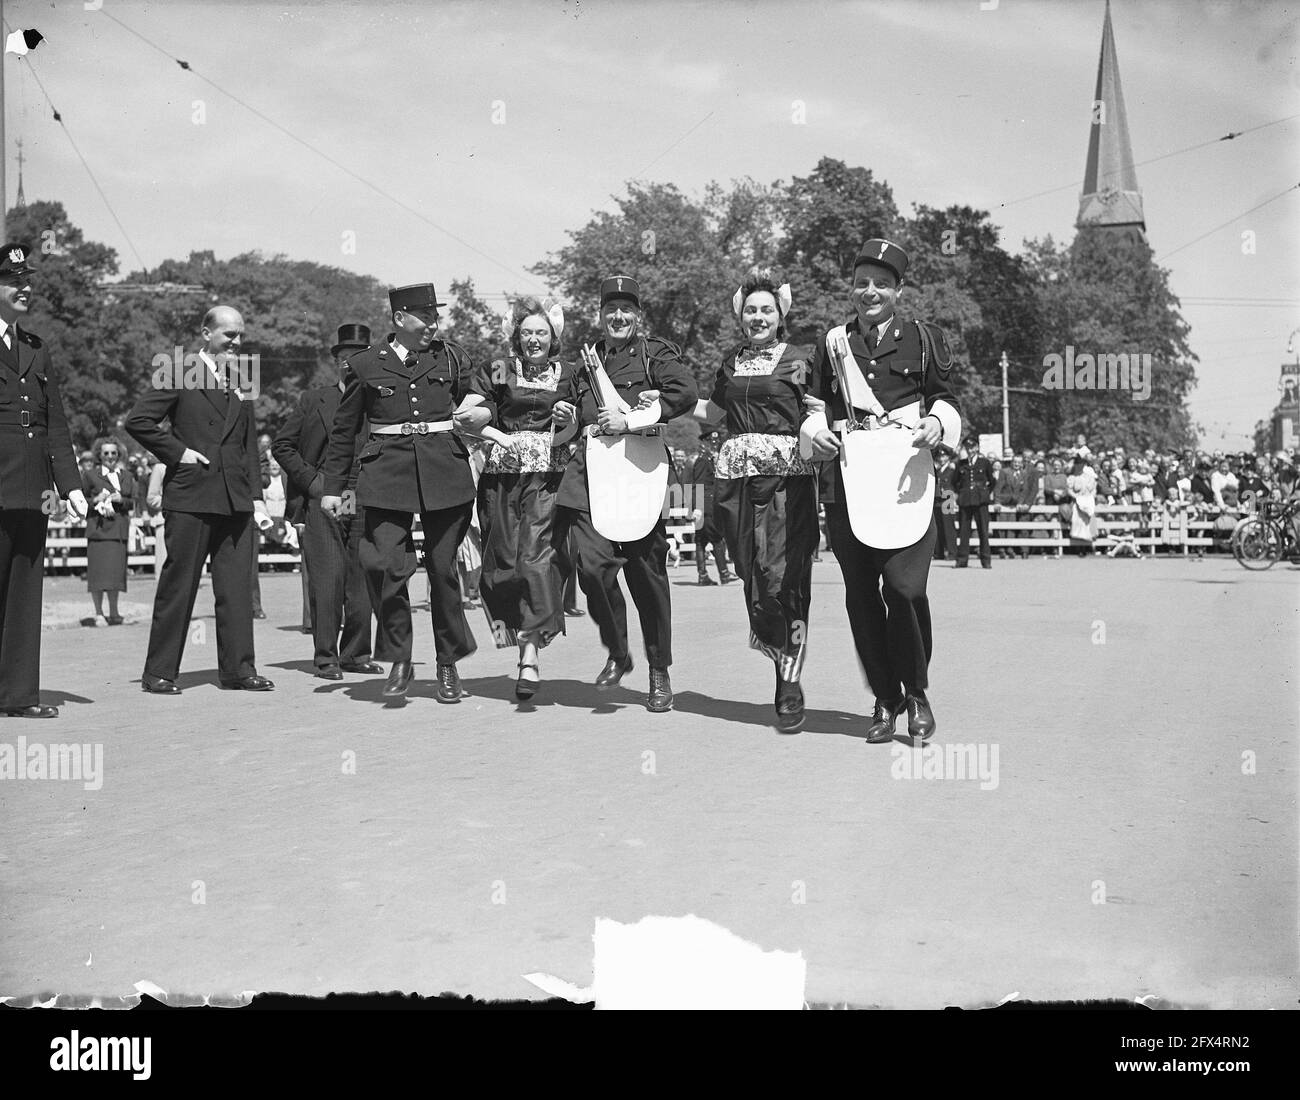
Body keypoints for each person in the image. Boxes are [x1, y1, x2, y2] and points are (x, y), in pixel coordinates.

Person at [801, 239, 960, 744]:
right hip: (849, 485)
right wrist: (814, 431)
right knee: (861, 598)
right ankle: (885, 700)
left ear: (899, 290)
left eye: (882, 284)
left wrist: (938, 422)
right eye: (862, 282)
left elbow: (945, 397)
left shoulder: (923, 339)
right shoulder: (832, 344)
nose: (870, 292)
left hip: (907, 481)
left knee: (905, 589)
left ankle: (916, 691)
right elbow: (813, 405)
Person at [321, 284, 492, 702]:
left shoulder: (452, 357)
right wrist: (332, 489)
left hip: (445, 473)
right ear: (399, 319)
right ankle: (399, 656)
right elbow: (344, 432)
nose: (433, 323)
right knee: (382, 565)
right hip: (386, 475)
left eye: (436, 316)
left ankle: (448, 664)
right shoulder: (363, 365)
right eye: (424, 316)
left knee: (443, 570)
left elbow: (482, 400)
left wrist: (481, 409)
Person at [554, 275, 698, 713]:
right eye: (610, 310)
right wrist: (563, 413)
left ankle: (658, 669)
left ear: (638, 316)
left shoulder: (657, 354)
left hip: (640, 472)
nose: (618, 317)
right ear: (599, 316)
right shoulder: (584, 363)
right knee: (592, 567)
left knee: (646, 579)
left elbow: (685, 394)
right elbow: (566, 417)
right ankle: (618, 651)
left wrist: (633, 419)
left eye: (627, 310)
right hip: (592, 476)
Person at [692, 267, 816, 731]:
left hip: (786, 484)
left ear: (780, 315)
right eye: (750, 310)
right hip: (736, 486)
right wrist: (665, 403)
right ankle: (778, 652)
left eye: (766, 309)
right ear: (740, 318)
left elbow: (817, 411)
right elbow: (713, 411)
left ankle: (789, 680)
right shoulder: (730, 362)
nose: (758, 316)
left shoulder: (800, 360)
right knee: (751, 576)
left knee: (782, 575)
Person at [125, 305, 274, 695]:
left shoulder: (241, 378)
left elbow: (246, 444)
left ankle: (239, 670)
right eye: (229, 335)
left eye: (241, 335)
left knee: (236, 588)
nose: (237, 343)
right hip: (191, 496)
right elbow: (138, 421)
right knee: (179, 586)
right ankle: (159, 672)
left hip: (235, 500)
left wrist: (256, 499)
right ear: (206, 333)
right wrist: (178, 452)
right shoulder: (178, 370)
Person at [467, 297, 578, 700]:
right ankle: (513, 634)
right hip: (500, 476)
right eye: (527, 332)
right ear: (517, 335)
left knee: (535, 557)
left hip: (548, 477)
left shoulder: (571, 373)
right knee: (501, 563)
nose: (534, 339)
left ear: (554, 339)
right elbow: (466, 415)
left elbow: (585, 419)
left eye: (542, 333)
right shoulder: (497, 368)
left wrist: (570, 421)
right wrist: (496, 433)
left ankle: (529, 654)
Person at [0, 243, 88, 718]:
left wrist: (71, 485)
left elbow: (56, 422)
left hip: (33, 490)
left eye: (27, 280)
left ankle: (18, 695)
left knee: (25, 596)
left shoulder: (36, 348)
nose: (25, 287)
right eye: (14, 280)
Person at [271, 323, 381, 681]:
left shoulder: (380, 402)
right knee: (328, 579)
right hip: (327, 495)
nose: (351, 362)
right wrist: (314, 483)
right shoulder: (313, 399)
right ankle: (326, 657)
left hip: (365, 494)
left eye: (359, 356)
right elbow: (282, 446)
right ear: (336, 360)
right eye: (345, 356)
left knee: (362, 581)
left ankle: (356, 654)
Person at [82, 437, 136, 625]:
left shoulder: (127, 476)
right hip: (98, 531)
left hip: (118, 531)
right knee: (97, 575)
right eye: (106, 453)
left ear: (118, 454)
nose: (110, 456)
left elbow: (132, 502)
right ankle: (98, 613)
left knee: (115, 575)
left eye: (114, 453)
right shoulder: (90, 475)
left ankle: (114, 611)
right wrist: (95, 500)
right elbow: (80, 502)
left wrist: (121, 500)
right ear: (99, 455)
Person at [689, 429, 736, 585]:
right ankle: (724, 574)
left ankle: (703, 576)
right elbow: (699, 485)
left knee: (701, 541)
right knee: (716, 539)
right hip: (706, 505)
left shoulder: (710, 459)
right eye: (711, 442)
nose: (714, 445)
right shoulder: (703, 460)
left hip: (705, 504)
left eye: (716, 442)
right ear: (705, 443)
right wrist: (698, 507)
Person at [955, 434, 995, 568]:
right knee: (964, 531)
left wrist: (985, 493)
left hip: (981, 500)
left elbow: (992, 481)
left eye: (972, 447)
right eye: (967, 448)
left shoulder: (985, 463)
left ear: (977, 447)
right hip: (965, 500)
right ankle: (962, 560)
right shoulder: (961, 464)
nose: (970, 450)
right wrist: (961, 492)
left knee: (983, 530)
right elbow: (955, 481)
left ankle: (986, 560)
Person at [993, 452, 1033, 559]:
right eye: (1015, 462)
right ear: (1011, 462)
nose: (1016, 464)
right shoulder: (1004, 472)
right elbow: (998, 488)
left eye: (1019, 462)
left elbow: (1024, 490)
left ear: (1022, 464)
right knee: (1001, 526)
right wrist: (997, 502)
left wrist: (1020, 503)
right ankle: (1001, 549)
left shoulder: (1024, 474)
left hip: (1015, 504)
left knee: (1011, 527)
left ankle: (1009, 548)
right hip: (1004, 502)